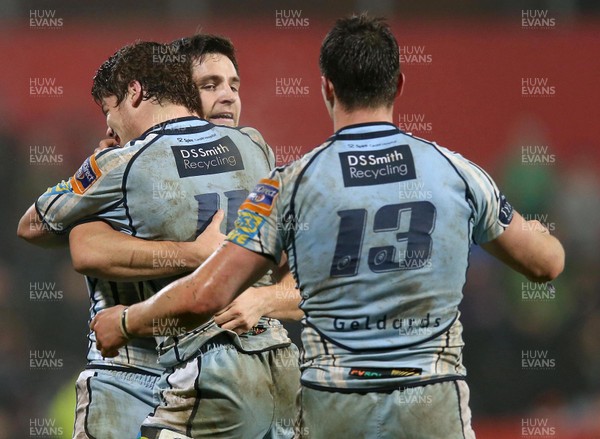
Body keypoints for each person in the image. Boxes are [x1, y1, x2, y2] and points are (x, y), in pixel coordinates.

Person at [91, 14, 565, 438]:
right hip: (432, 400)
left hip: (334, 404)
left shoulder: (288, 186)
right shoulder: (458, 174)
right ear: (399, 85)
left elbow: (206, 295)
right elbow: (547, 263)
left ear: (327, 88)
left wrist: (126, 320)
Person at [18, 39, 300, 439]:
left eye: (234, 86)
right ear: (184, 91)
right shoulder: (258, 149)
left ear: (133, 93)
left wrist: (257, 296)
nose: (226, 98)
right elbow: (86, 250)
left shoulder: (121, 162)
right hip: (260, 365)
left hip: (152, 370)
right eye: (210, 85)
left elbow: (38, 228)